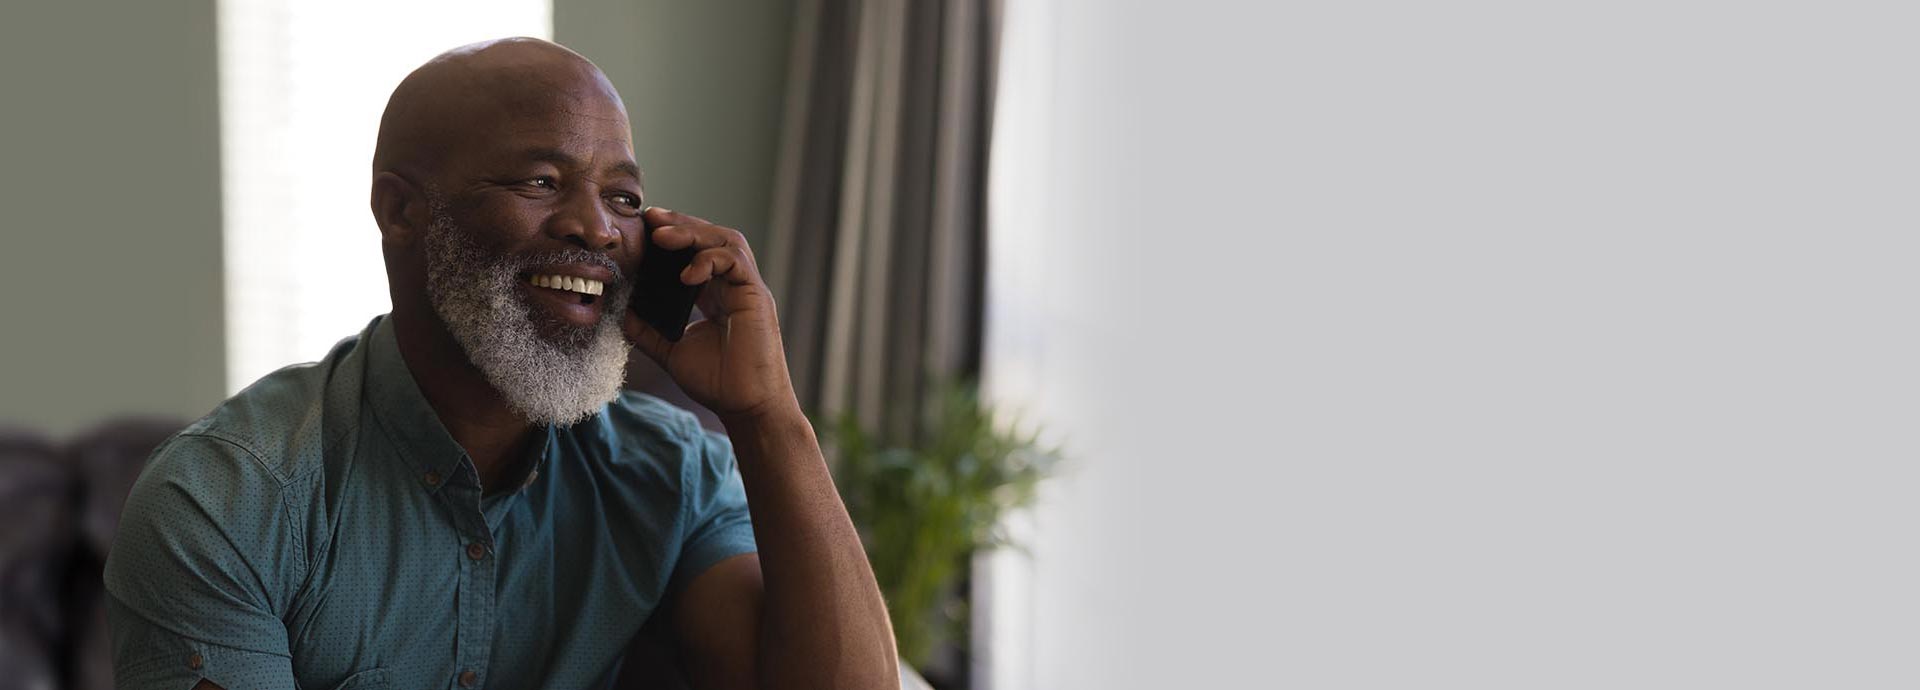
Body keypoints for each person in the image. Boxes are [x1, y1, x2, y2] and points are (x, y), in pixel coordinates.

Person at [102, 37, 898, 690]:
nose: (595, 228)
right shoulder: (224, 502)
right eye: (542, 181)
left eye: (623, 197)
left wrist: (767, 419)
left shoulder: (675, 478)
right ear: (401, 210)